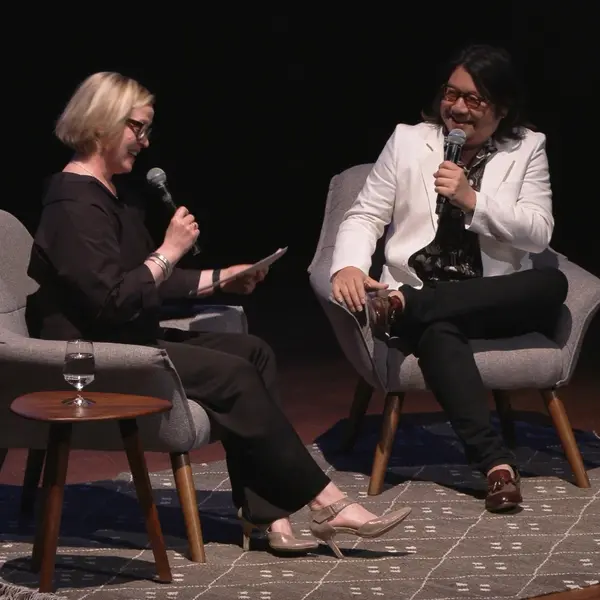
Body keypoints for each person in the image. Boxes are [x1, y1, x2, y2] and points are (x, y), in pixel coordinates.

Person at [25, 71, 411, 559]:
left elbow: (153, 281)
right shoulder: (72, 202)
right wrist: (168, 249)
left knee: (255, 352)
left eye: (147, 129)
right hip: (92, 357)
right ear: (102, 122)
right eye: (137, 128)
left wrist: (225, 276)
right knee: (232, 375)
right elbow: (112, 301)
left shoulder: (114, 194)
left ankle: (265, 513)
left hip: (129, 339)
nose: (145, 141)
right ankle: (326, 501)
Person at [330, 44, 568, 513]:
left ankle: (408, 309)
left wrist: (473, 199)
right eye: (451, 94)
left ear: (500, 108)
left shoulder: (527, 148)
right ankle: (497, 467)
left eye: (474, 100)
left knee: (551, 284)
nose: (457, 108)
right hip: (424, 286)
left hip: (488, 300)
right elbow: (366, 214)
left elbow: (539, 234)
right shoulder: (407, 140)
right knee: (439, 331)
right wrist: (350, 265)